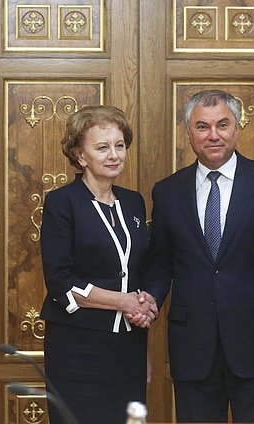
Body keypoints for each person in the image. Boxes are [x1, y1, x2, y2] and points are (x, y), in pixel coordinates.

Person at [140, 90, 254, 423]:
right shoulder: (168, 190)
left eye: (222, 124)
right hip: (193, 345)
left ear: (237, 128)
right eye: (202, 127)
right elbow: (161, 261)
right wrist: (149, 300)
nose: (213, 135)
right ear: (188, 134)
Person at [40, 105, 157, 424]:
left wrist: (144, 303)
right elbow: (60, 281)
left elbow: (141, 269)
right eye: (102, 147)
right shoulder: (62, 203)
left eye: (119, 145)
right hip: (78, 349)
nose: (114, 154)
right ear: (80, 155)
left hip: (129, 348)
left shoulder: (134, 201)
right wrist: (124, 300)